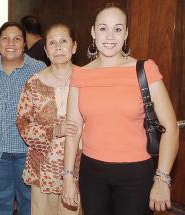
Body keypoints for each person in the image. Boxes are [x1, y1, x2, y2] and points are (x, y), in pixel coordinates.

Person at [62, 3, 179, 215]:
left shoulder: (144, 69)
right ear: (93, 31)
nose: (109, 36)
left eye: (117, 29)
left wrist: (162, 178)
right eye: (103, 28)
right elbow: (73, 129)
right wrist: (68, 176)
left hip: (135, 173)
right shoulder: (80, 74)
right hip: (92, 172)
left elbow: (170, 127)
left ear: (125, 34)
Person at [17, 23, 81, 215]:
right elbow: (22, 123)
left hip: (81, 166)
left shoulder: (87, 79)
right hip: (44, 166)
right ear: (45, 50)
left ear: (74, 46)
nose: (58, 47)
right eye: (52, 43)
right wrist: (54, 131)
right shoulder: (34, 83)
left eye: (63, 41)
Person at [0, 21, 46, 215]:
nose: (11, 43)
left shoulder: (38, 69)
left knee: (29, 202)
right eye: (5, 38)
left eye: (17, 38)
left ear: (24, 43)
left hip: (27, 152)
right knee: (0, 202)